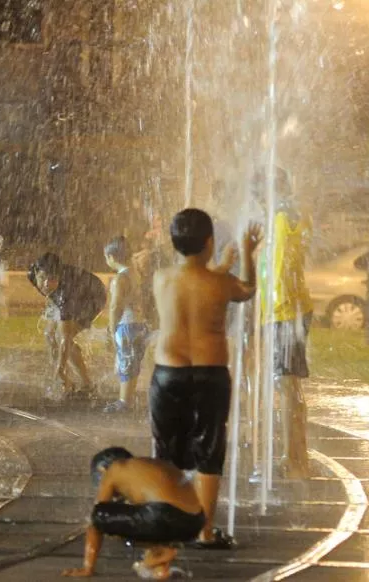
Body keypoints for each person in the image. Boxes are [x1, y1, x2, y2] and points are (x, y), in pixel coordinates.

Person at [149, 208, 260, 549]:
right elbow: (246, 289)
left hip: (168, 373)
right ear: (210, 242)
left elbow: (195, 282)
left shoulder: (162, 279)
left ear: (174, 243)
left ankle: (166, 525)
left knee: (167, 451)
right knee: (209, 452)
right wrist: (246, 253)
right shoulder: (221, 282)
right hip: (210, 374)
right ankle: (205, 531)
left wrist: (220, 265)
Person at [61, 447, 205, 580]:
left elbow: (95, 521)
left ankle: (163, 552)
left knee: (100, 515)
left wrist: (87, 568)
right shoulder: (147, 466)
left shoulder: (114, 469)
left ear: (102, 470)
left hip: (162, 514)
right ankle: (159, 567)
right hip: (195, 522)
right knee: (140, 519)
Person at [257, 176, 314, 480]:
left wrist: (273, 312)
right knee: (289, 385)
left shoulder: (282, 216)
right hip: (290, 311)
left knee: (287, 385)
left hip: (285, 313)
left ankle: (294, 463)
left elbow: (281, 268)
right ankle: (295, 456)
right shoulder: (289, 214)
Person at [27, 253, 107, 398]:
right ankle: (63, 379)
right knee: (49, 334)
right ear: (36, 273)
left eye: (51, 279)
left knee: (63, 338)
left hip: (92, 297)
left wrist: (61, 368)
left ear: (58, 277)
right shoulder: (31, 274)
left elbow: (65, 336)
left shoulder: (66, 293)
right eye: (42, 278)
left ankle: (86, 384)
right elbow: (50, 294)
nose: (46, 284)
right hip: (75, 291)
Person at [101, 236, 147, 414]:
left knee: (125, 362)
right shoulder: (135, 273)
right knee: (132, 361)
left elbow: (115, 307)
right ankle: (128, 396)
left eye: (106, 257)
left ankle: (123, 401)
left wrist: (112, 330)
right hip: (139, 324)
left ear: (112, 257)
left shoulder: (120, 279)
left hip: (126, 325)